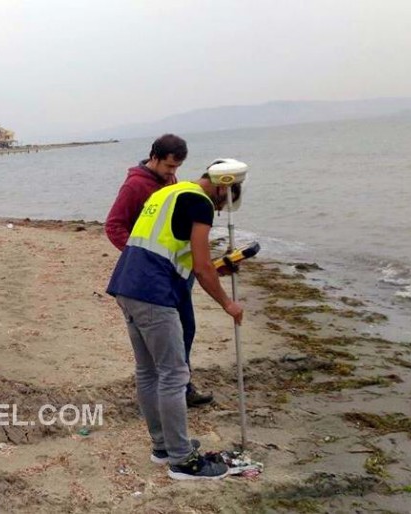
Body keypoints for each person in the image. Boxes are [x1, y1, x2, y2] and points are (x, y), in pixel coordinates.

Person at [106, 172, 243, 480]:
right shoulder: (200, 203)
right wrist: (228, 304)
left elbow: (174, 251)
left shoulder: (168, 193)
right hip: (154, 294)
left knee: (149, 372)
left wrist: (219, 267)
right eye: (223, 202)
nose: (219, 210)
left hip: (128, 285)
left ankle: (164, 446)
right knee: (174, 374)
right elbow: (201, 266)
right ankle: (182, 461)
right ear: (223, 186)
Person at [105, 134, 214, 408]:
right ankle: (168, 393)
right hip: (151, 276)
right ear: (153, 157)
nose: (172, 173)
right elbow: (114, 225)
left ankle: (183, 388)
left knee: (186, 329)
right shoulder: (135, 186)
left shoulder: (172, 182)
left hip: (178, 273)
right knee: (158, 344)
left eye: (177, 168)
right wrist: (139, 257)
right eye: (168, 166)